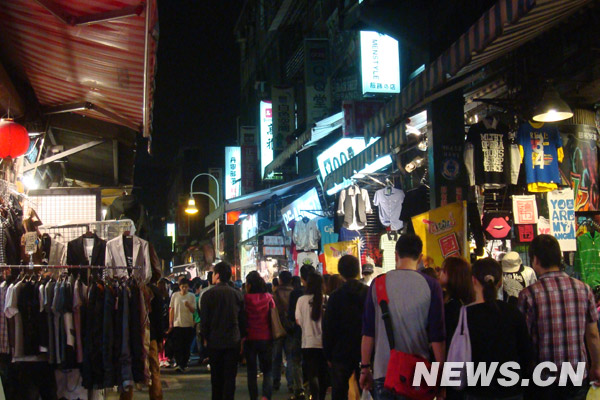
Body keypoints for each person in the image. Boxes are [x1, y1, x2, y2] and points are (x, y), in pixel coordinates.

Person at [359, 234, 446, 400]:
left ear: (396, 255)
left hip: (384, 373)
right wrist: (441, 376)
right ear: (420, 258)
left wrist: (365, 368)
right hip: (418, 373)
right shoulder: (431, 285)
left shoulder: (378, 284)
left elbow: (368, 333)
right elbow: (437, 337)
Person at [518, 235, 600, 398]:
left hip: (543, 378)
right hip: (576, 376)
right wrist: (597, 366)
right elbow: (592, 334)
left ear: (535, 260)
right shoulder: (584, 289)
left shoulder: (529, 294)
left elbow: (523, 340)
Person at [461, 258, 532, 399]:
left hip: (476, 390)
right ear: (500, 282)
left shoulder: (465, 314)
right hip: (511, 388)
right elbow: (526, 352)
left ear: (473, 280)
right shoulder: (513, 312)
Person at [323, 255, 368, 400]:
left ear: (340, 272)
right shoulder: (368, 293)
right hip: (364, 350)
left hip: (340, 351)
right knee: (367, 390)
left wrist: (328, 354)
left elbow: (328, 327)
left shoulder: (335, 296)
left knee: (339, 392)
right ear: (358, 270)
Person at [201, 262, 246, 400]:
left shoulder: (207, 295)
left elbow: (205, 321)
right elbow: (242, 320)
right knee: (230, 378)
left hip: (214, 341)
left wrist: (205, 339)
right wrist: (242, 340)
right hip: (233, 341)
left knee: (216, 378)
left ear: (217, 275)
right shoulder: (237, 295)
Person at [296, 273, 329, 400]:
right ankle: (321, 397)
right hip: (324, 343)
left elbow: (298, 321)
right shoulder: (327, 299)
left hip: (308, 343)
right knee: (323, 374)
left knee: (312, 374)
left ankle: (315, 397)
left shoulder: (301, 300)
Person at [243, 271, 275, 400]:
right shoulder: (268, 297)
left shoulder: (245, 299)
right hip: (266, 337)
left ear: (250, 285)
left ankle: (253, 397)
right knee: (267, 370)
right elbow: (273, 315)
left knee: (251, 371)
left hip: (250, 338)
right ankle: (266, 396)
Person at [288, 264, 315, 399]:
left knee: (296, 361)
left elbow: (291, 316)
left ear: (302, 278)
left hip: (299, 332)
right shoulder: (320, 292)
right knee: (312, 362)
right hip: (316, 334)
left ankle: (299, 389)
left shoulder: (296, 294)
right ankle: (312, 389)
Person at [272, 270, 298, 393]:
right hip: (291, 328)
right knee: (290, 357)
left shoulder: (275, 294)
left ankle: (276, 381)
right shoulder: (294, 293)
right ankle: (291, 383)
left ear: (280, 280)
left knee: (276, 357)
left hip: (278, 329)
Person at [440, 257, 474, 343]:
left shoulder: (453, 305)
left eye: (443, 271)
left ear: (453, 275)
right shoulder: (460, 301)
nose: (439, 274)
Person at [168, 278, 196, 372]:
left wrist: (188, 305)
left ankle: (184, 363)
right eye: (182, 286)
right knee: (177, 345)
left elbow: (193, 310)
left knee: (186, 345)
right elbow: (171, 309)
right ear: (179, 287)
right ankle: (179, 363)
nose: (184, 288)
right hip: (177, 324)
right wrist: (170, 323)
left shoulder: (191, 296)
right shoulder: (175, 296)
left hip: (188, 324)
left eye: (186, 287)